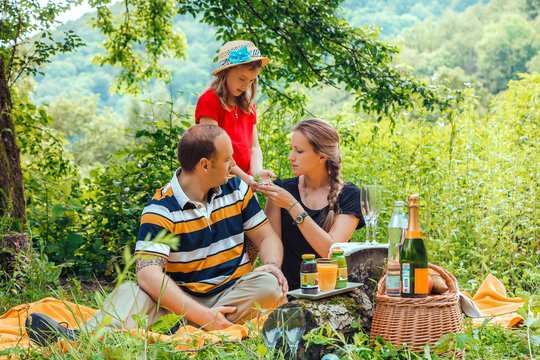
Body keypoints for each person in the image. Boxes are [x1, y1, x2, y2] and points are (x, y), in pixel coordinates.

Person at [26, 124, 288, 346]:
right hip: (178, 302)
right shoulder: (161, 208)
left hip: (230, 293)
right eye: (228, 159)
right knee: (131, 290)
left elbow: (267, 238)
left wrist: (272, 265)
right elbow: (148, 273)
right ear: (205, 165)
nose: (234, 165)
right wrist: (200, 313)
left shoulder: (236, 188)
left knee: (268, 285)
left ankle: (176, 330)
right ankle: (80, 340)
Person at [258, 119, 365, 290]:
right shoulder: (281, 190)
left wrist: (293, 207)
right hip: (286, 293)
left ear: (322, 156)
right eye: (291, 149)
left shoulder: (350, 195)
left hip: (330, 294)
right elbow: (272, 246)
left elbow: (330, 251)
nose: (290, 157)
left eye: (299, 151)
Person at [195, 39, 275, 188]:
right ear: (225, 73)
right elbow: (214, 150)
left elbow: (254, 147)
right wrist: (243, 177)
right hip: (218, 182)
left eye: (251, 81)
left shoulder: (248, 105)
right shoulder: (209, 101)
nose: (246, 86)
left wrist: (256, 173)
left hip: (245, 182)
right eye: (241, 79)